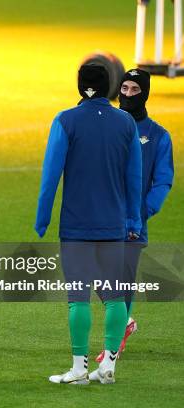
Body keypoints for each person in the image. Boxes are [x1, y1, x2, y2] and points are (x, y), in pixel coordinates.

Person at [35, 64, 142, 384]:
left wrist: (43, 217)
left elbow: (50, 173)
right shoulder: (125, 123)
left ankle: (80, 367)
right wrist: (133, 218)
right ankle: (108, 363)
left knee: (78, 297)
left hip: (76, 226)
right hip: (113, 225)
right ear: (110, 87)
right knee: (113, 296)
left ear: (81, 87)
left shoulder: (66, 120)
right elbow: (133, 175)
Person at [94, 68, 174, 363]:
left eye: (134, 90)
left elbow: (163, 180)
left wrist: (142, 211)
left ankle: (112, 349)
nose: (127, 95)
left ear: (145, 94)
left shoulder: (158, 136)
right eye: (124, 89)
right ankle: (125, 324)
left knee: (121, 284)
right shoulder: (105, 125)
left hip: (132, 224)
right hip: (99, 216)